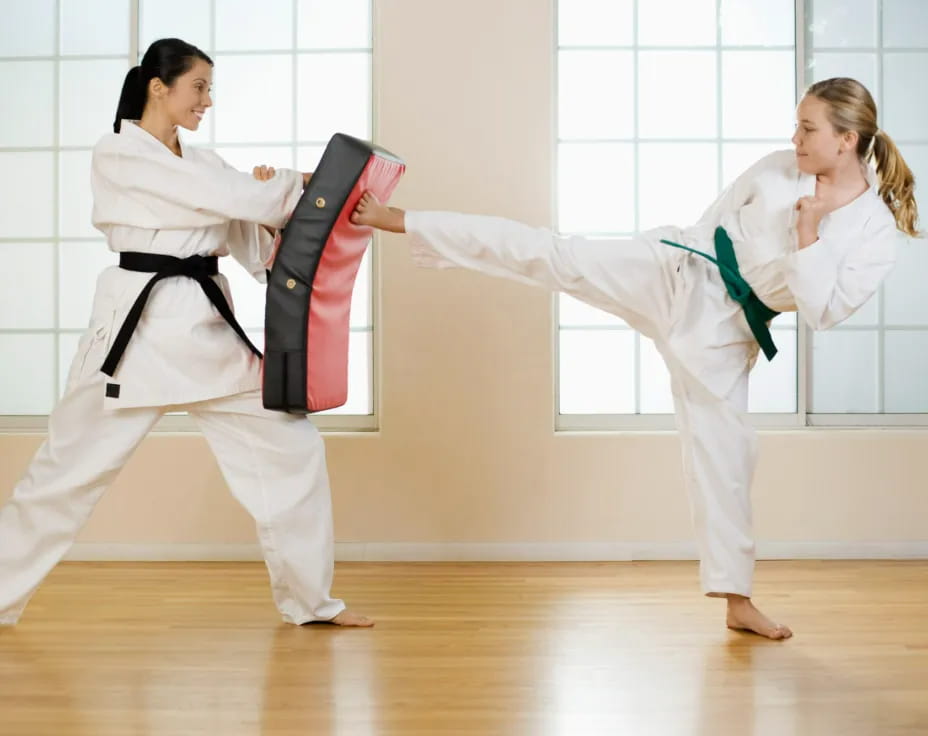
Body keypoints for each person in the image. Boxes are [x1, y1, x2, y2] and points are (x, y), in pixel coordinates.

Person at [351, 77, 918, 639]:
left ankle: (738, 602)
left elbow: (822, 311)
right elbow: (712, 220)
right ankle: (402, 221)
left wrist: (808, 231)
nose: (794, 136)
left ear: (846, 140)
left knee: (727, 462)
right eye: (797, 123)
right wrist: (679, 266)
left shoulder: (874, 231)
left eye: (807, 127)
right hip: (676, 272)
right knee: (555, 254)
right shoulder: (776, 166)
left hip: (726, 337)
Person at [0, 38, 372, 628]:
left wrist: (279, 202)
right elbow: (230, 199)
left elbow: (244, 221)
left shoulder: (200, 162)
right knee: (63, 475)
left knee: (292, 448)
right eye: (199, 87)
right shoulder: (118, 152)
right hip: (134, 338)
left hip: (205, 336)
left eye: (209, 89)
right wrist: (305, 185)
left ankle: (311, 604)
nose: (208, 101)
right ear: (158, 87)